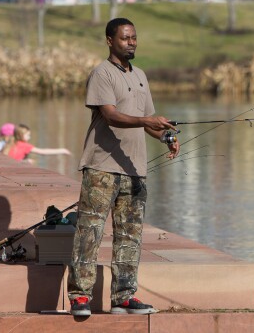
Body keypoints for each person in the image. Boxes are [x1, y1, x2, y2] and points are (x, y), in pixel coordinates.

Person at [67, 17, 180, 318]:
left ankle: (124, 297)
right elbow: (111, 116)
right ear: (109, 41)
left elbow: (150, 122)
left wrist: (166, 135)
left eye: (134, 38)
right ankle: (80, 297)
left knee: (130, 236)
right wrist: (147, 121)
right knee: (89, 232)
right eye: (125, 38)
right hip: (101, 167)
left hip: (135, 170)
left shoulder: (140, 75)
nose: (131, 43)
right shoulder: (102, 74)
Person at [0, 123, 70, 162]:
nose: (29, 137)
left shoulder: (8, 143)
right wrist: (62, 151)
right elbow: (43, 152)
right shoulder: (25, 146)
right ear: (21, 135)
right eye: (28, 135)